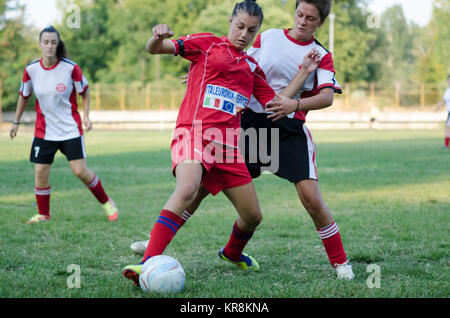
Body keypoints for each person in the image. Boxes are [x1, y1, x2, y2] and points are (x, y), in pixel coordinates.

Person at [131, 0, 355, 280]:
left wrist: (301, 85)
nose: (302, 21)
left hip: (283, 131)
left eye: (310, 18)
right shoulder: (260, 38)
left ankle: (338, 262)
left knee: (291, 204)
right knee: (195, 187)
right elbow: (227, 65)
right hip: (236, 126)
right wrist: (195, 70)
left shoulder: (315, 55)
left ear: (321, 22)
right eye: (299, 14)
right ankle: (154, 247)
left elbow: (309, 98)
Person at [9, 26, 119, 223]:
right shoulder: (31, 70)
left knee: (80, 172)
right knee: (40, 171)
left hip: (70, 129)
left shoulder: (70, 68)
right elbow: (23, 96)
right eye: (46, 42)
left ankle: (107, 202)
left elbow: (85, 91)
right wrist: (15, 122)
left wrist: (86, 116)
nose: (49, 46)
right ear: (40, 44)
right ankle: (43, 214)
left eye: (53, 42)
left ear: (57, 44)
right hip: (44, 131)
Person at [434, 75, 450, 150]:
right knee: (447, 127)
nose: (449, 82)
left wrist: (437, 107)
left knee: (447, 128)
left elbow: (443, 101)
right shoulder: (448, 90)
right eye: (448, 80)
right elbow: (444, 101)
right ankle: (446, 145)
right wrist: (437, 107)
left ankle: (446, 145)